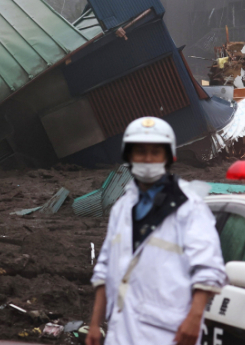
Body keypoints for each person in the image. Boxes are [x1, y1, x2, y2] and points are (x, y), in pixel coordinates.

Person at [87, 117, 226, 345]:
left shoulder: (188, 205)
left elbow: (209, 269)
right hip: (120, 332)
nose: (148, 159)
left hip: (168, 334)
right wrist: (95, 324)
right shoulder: (122, 207)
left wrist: (195, 318)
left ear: (169, 157)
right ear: (128, 157)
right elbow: (104, 268)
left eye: (156, 152)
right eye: (140, 151)